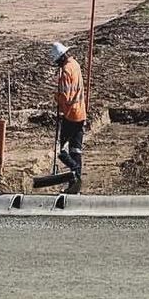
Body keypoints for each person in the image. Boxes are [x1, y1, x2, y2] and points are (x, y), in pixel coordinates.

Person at [49, 40, 86, 190]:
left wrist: (57, 97)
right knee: (75, 150)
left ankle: (75, 172)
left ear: (60, 58)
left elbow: (66, 97)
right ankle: (75, 185)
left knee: (62, 151)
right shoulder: (75, 65)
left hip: (71, 115)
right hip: (81, 113)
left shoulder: (65, 71)